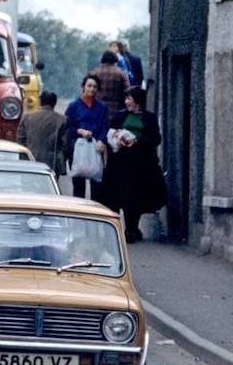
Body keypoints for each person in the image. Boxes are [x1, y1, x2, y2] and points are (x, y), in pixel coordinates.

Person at [102, 86, 167, 243]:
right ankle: (125, 228)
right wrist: (118, 140)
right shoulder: (120, 116)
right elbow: (111, 133)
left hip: (142, 164)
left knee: (137, 196)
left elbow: (156, 139)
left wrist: (138, 141)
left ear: (138, 101)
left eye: (129, 99)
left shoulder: (149, 118)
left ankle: (133, 228)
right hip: (122, 163)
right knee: (122, 195)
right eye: (126, 99)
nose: (127, 102)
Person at [64, 74, 109, 202]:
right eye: (89, 86)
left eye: (95, 87)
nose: (92, 89)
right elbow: (67, 127)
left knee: (97, 184)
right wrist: (80, 131)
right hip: (77, 147)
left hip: (95, 147)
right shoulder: (74, 106)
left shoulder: (102, 108)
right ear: (83, 87)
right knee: (78, 184)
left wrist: (102, 140)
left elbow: (105, 127)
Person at [16, 90, 69, 175]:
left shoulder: (27, 118)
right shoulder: (62, 120)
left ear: (40, 102)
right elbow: (65, 146)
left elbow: (20, 141)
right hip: (52, 164)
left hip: (30, 161)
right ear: (54, 103)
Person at [91, 51, 130, 121]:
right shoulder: (121, 73)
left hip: (97, 107)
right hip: (115, 109)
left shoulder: (94, 72)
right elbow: (127, 91)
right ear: (115, 60)